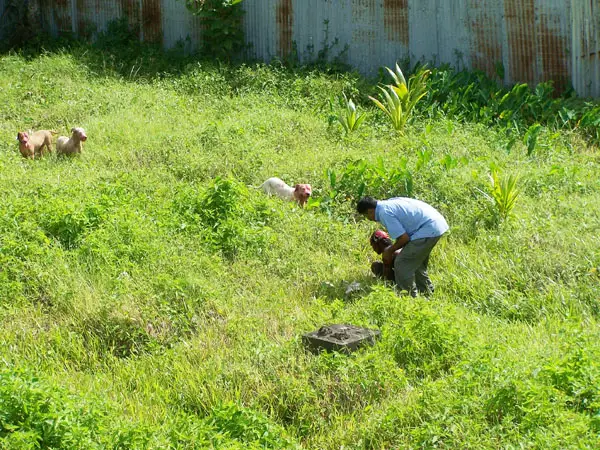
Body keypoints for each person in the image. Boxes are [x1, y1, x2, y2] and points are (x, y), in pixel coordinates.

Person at [357, 196, 449, 297]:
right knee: (415, 264)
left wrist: (389, 250)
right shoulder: (388, 204)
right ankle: (427, 295)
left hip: (427, 228)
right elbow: (403, 236)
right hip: (436, 224)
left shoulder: (384, 213)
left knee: (402, 263)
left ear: (370, 211)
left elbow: (404, 238)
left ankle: (409, 299)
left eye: (366, 216)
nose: (368, 219)